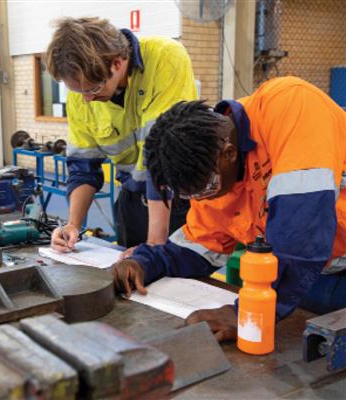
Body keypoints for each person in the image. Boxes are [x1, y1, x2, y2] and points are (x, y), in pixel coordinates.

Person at [111, 76, 346, 341]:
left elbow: (302, 233)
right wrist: (143, 263)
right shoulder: (215, 173)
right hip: (316, 277)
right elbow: (196, 247)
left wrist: (247, 314)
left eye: (204, 188)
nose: (204, 199)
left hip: (312, 269)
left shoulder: (290, 104)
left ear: (230, 153)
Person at [45, 17, 197, 254]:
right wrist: (72, 225)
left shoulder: (165, 58)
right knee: (128, 282)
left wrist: (154, 250)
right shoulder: (82, 93)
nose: (87, 99)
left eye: (93, 89)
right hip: (133, 202)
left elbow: (160, 158)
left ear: (117, 63)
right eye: (78, 91)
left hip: (179, 202)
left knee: (181, 285)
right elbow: (83, 167)